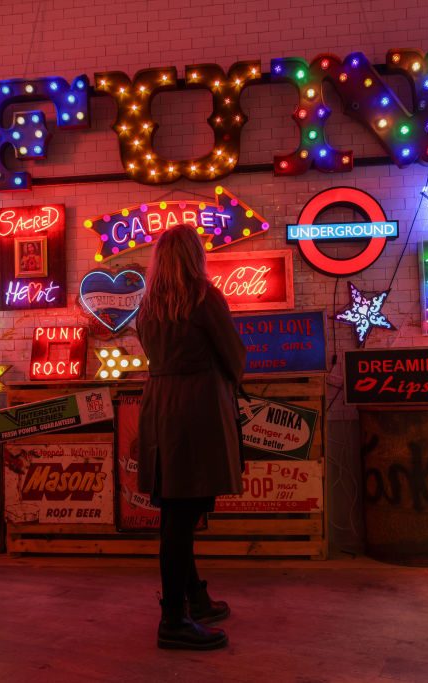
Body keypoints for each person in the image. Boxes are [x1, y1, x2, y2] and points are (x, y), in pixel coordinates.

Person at [136, 224, 247, 650]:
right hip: (197, 411)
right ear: (194, 256)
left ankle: (195, 598)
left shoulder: (148, 305)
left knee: (176, 511)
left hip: (160, 409)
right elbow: (233, 356)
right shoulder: (203, 296)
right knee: (180, 519)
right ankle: (173, 620)